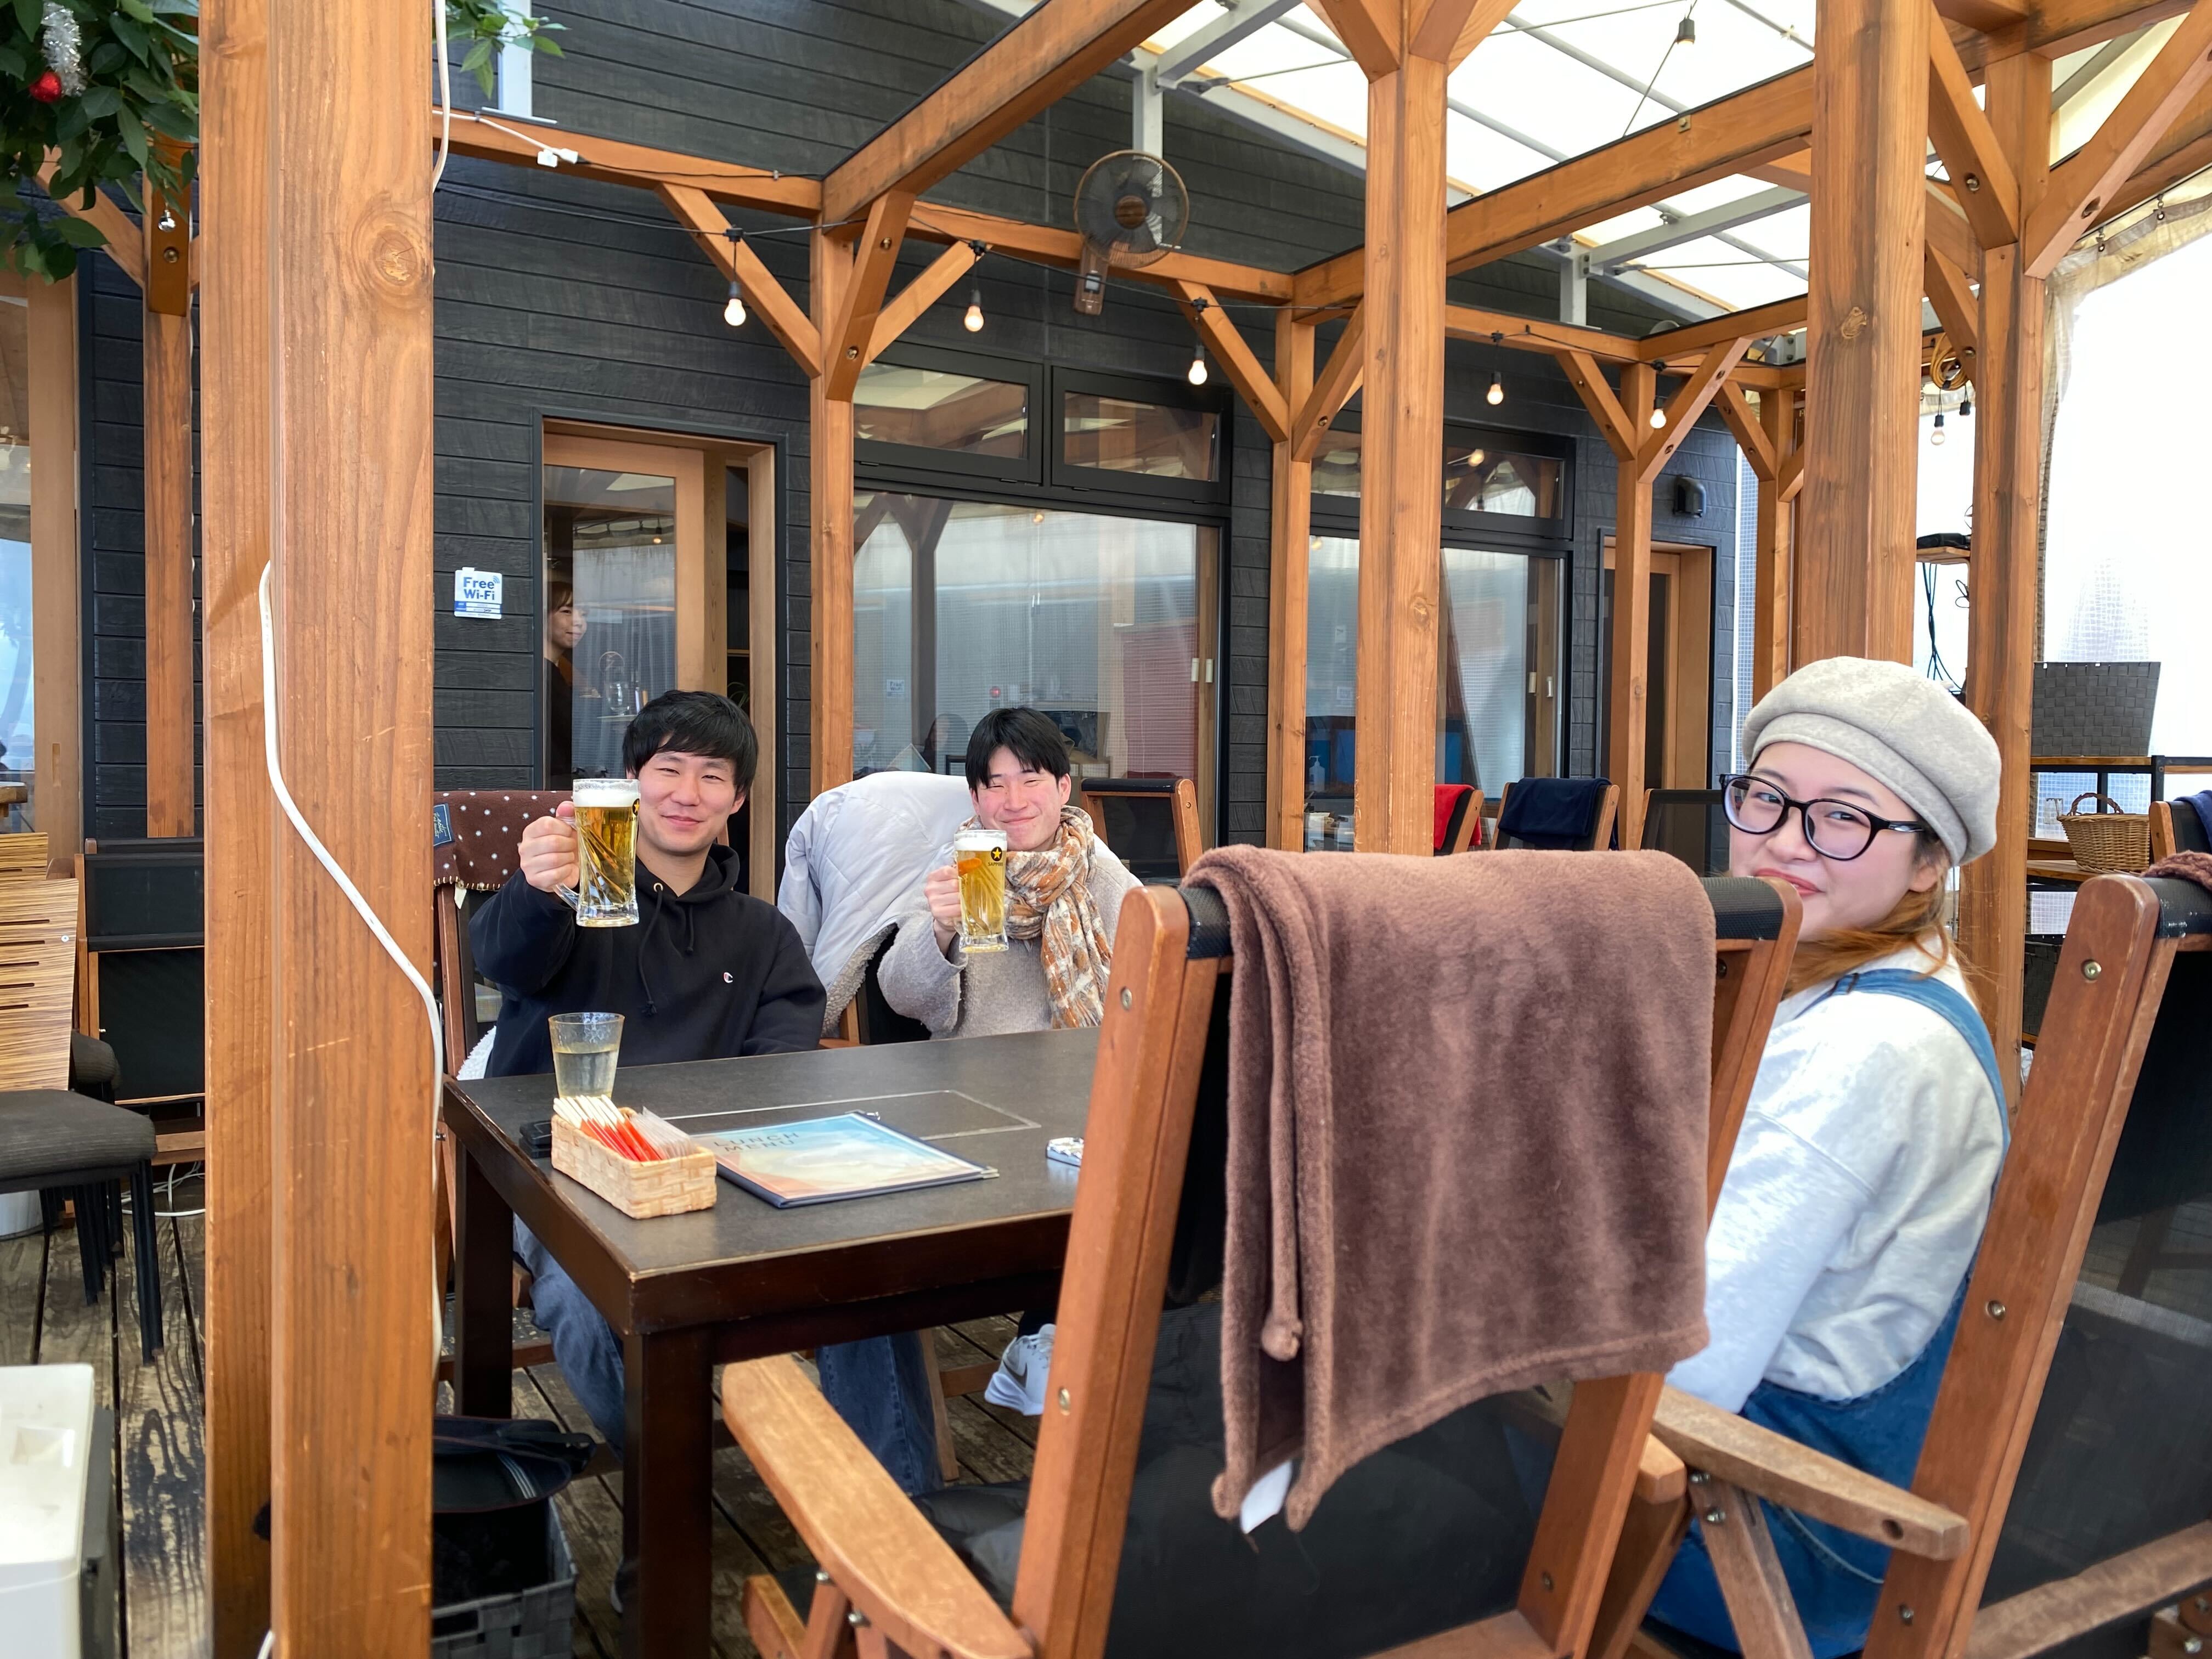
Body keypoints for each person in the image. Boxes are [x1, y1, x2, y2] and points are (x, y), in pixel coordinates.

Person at [1651, 656, 2007, 1658]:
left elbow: (1689, 1369)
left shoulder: (1863, 1049)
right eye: (1766, 797)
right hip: (1798, 1504)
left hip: (1765, 1532)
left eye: (1842, 817)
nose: (1783, 840)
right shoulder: (1876, 982)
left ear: (1928, 861)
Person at [472, 689, 824, 1451]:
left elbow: (785, 1064)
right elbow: (498, 959)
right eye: (669, 769)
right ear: (632, 782)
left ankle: (854, 1478)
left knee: (853, 1260)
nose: (687, 793)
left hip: (707, 1173)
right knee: (582, 1297)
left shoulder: (763, 935)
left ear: (738, 799)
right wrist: (539, 890)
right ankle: (673, 1473)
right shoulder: (574, 897)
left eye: (712, 776)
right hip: (562, 1169)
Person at [836, 709, 1140, 1442]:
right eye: (994, 785)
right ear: (975, 798)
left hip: (1083, 1091)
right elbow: (902, 996)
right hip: (980, 1103)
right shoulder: (962, 865)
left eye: (1029, 780)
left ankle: (1046, 1336)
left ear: (1062, 788)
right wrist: (942, 931)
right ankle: (1048, 1338)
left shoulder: (1095, 868)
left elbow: (1152, 956)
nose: (1013, 800)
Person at [542, 579, 584, 787]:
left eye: (584, 614)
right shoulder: (542, 674)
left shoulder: (558, 671)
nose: (579, 622)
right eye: (567, 611)